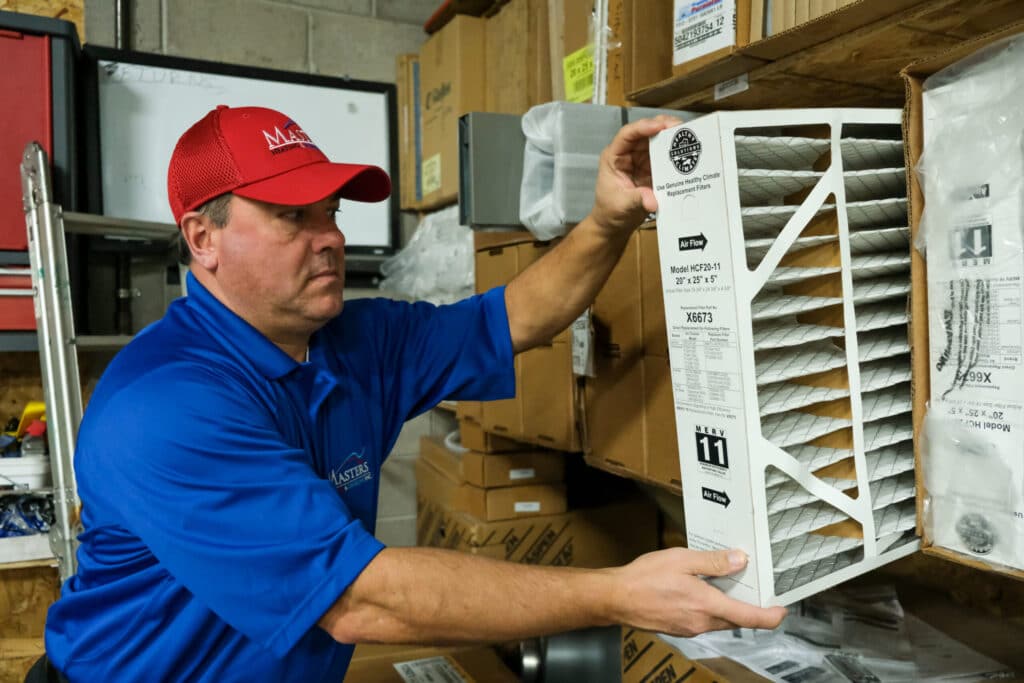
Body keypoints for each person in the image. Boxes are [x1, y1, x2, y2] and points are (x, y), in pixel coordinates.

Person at [38, 105, 786, 682]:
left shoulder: (356, 340)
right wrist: (622, 592)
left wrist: (607, 219)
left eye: (329, 209)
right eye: (291, 216)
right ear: (203, 239)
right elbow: (361, 597)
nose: (328, 234)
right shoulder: (165, 406)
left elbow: (516, 316)